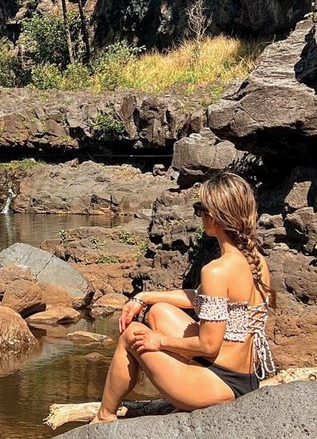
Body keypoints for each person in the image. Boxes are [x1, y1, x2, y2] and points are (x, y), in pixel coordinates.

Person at [93, 172, 276, 424]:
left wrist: (160, 341)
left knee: (131, 335)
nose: (199, 214)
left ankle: (104, 417)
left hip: (219, 383)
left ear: (215, 217)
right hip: (246, 375)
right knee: (159, 311)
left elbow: (208, 346)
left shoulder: (216, 271)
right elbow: (204, 298)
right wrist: (143, 297)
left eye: (200, 208)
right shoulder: (256, 259)